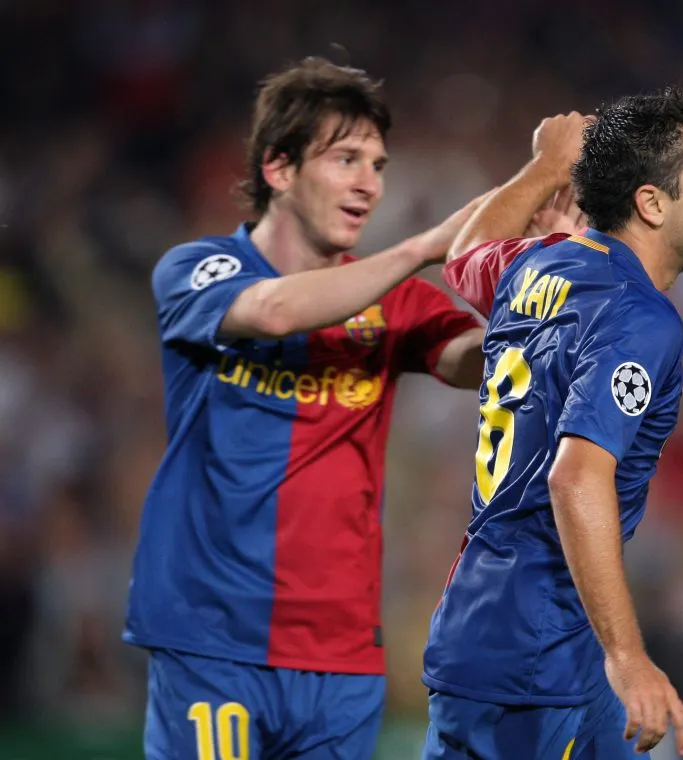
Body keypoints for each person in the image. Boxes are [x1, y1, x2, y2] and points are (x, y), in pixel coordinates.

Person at [122, 57, 493, 759]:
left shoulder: (400, 304)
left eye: (378, 164)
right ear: (279, 169)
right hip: (214, 642)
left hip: (341, 659)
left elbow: (477, 362)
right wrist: (420, 249)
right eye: (346, 158)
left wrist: (549, 293)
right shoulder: (200, 268)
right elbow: (273, 310)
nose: (369, 184)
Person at [422, 87, 683, 759]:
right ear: (652, 203)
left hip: (541, 636)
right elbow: (576, 478)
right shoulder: (640, 317)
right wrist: (629, 656)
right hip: (529, 660)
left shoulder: (537, 264)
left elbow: (464, 253)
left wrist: (545, 167)